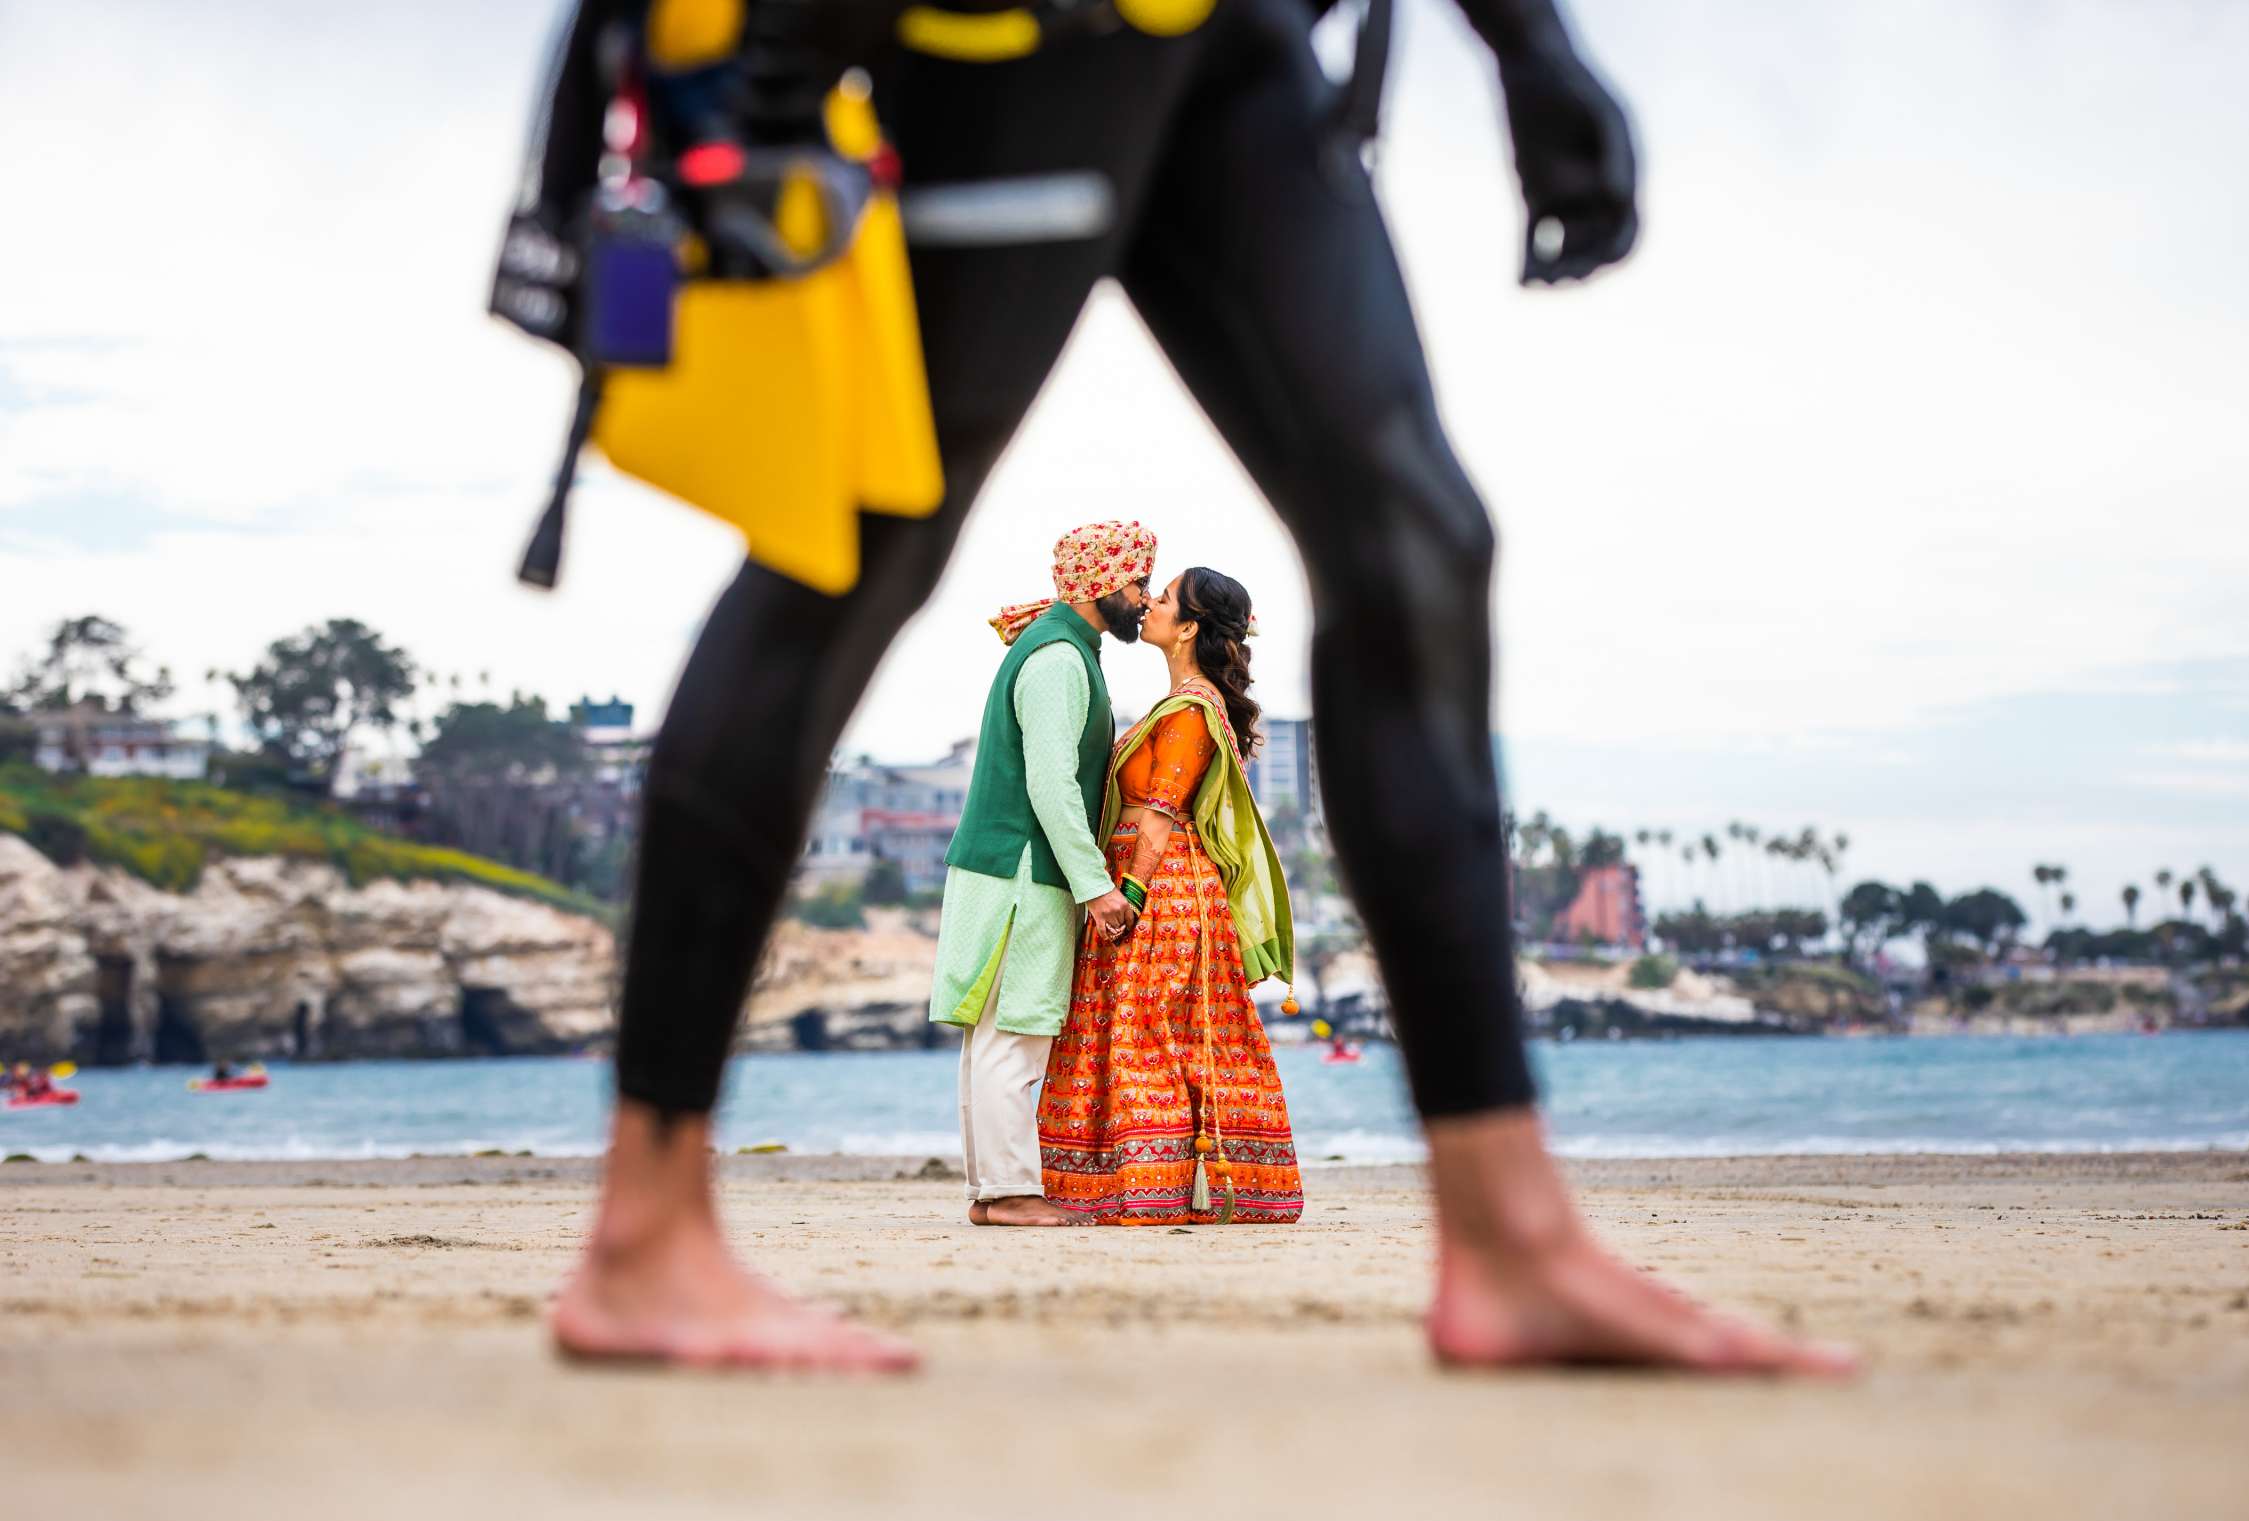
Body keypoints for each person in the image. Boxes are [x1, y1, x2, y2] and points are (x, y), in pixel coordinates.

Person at [534, 0, 1852, 1376]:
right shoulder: (1066, 664)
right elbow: (1063, 781)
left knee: (1416, 540)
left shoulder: (1132, 681)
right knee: (849, 554)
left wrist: (1529, 45)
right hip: (1011, 42)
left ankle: (1513, 1243)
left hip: (1233, 41)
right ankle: (646, 1239)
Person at [1039, 568, 1302, 1224]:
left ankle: (1170, 1190)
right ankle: (1157, 1186)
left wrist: (1125, 895)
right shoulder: (1184, 701)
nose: (1147, 605)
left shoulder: (1190, 709)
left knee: (1151, 1036)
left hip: (1164, 894)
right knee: (1154, 1035)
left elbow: (1160, 813)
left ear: (1188, 627)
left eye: (1161, 599)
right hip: (1158, 889)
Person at [931, 521, 1151, 1227]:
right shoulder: (1059, 659)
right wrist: (1096, 887)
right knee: (1016, 1033)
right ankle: (1010, 1193)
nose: (1145, 599)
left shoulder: (1057, 647)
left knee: (994, 1033)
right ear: (1101, 586)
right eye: (1139, 583)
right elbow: (1052, 785)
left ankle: (993, 1192)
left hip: (1001, 864)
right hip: (1025, 867)